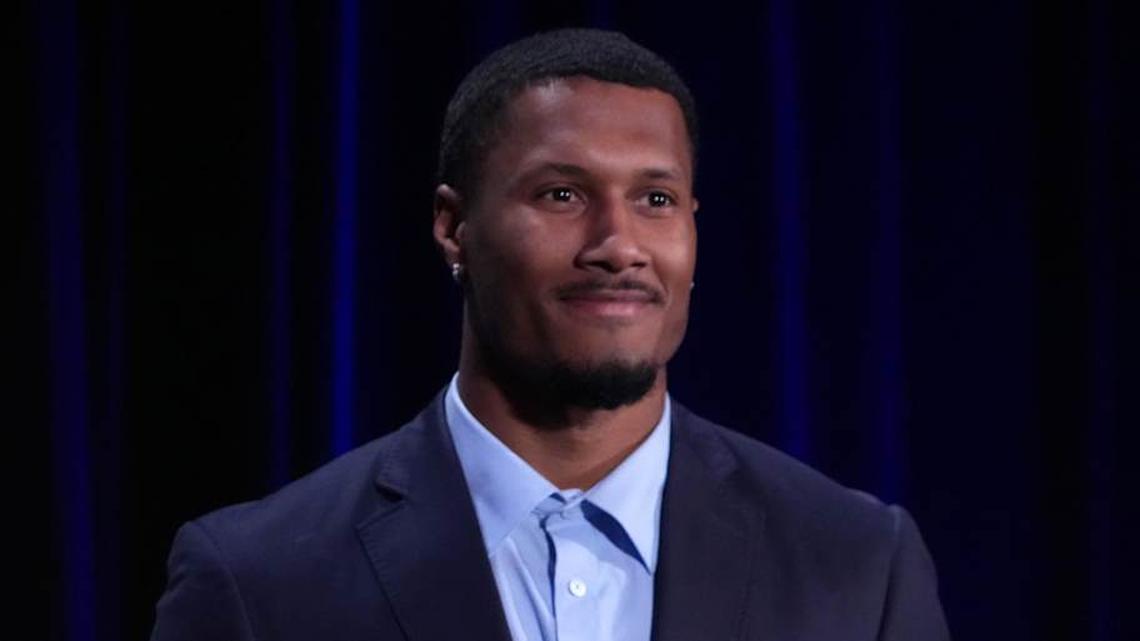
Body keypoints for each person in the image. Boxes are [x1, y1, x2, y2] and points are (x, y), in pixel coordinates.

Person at [151, 28, 950, 641]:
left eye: (656, 200)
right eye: (563, 193)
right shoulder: (258, 582)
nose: (619, 243)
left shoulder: (857, 566)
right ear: (453, 226)